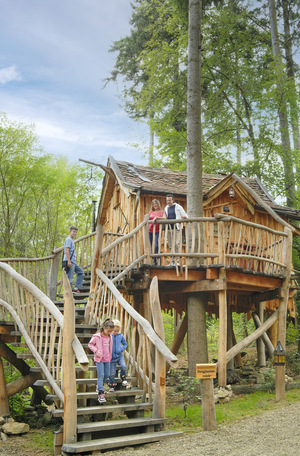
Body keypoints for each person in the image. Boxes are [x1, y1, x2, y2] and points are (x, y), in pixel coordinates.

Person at [88, 318, 114, 404]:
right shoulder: (97, 336)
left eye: (111, 331)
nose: (109, 333)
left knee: (107, 375)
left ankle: (98, 386)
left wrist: (110, 356)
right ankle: (101, 393)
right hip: (99, 359)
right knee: (101, 375)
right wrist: (96, 351)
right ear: (104, 328)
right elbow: (90, 344)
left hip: (107, 359)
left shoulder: (110, 337)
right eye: (108, 331)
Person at [164, 194, 187, 266]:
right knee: (170, 245)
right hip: (168, 228)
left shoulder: (178, 207)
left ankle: (176, 261)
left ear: (173, 200)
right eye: (167, 200)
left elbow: (185, 215)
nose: (168, 201)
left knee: (176, 244)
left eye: (170, 200)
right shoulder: (166, 208)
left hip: (176, 228)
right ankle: (172, 261)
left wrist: (184, 217)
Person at [108, 320, 128, 392]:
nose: (115, 332)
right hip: (111, 358)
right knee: (112, 373)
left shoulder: (121, 336)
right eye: (114, 331)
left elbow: (125, 344)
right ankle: (111, 385)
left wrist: (121, 349)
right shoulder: (109, 336)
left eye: (117, 331)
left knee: (123, 366)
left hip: (119, 356)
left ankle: (123, 377)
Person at [63, 225, 84, 293]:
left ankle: (76, 288)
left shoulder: (71, 240)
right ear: (70, 232)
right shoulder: (69, 239)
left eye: (76, 232)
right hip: (69, 261)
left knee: (81, 272)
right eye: (74, 231)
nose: (75, 233)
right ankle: (68, 294)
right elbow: (66, 250)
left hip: (72, 262)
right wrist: (69, 261)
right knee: (70, 278)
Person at [148, 199, 166, 265]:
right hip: (150, 230)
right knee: (150, 246)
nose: (155, 205)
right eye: (153, 204)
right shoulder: (150, 212)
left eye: (156, 204)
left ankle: (158, 258)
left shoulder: (162, 212)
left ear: (158, 204)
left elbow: (165, 218)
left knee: (156, 245)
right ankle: (154, 261)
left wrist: (157, 218)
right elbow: (147, 218)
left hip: (158, 231)